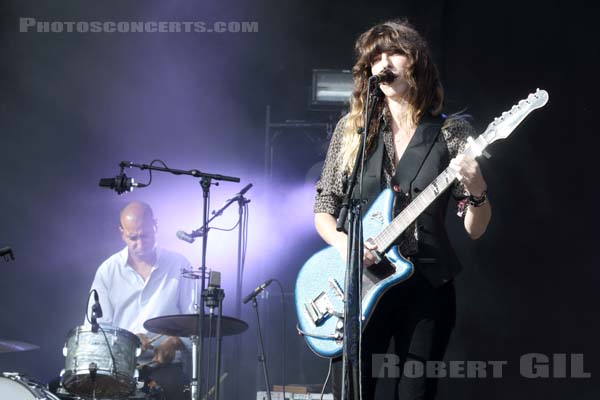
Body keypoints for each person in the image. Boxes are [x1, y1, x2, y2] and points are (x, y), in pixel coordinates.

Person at [314, 20, 492, 399]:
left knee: (415, 391)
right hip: (360, 285)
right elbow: (324, 208)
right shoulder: (353, 131)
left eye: (394, 53)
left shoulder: (450, 133)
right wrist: (346, 246)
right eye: (375, 57)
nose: (384, 63)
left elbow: (475, 227)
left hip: (426, 283)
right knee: (352, 389)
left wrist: (476, 189)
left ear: (416, 63)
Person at [88, 201, 194, 400]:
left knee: (174, 388)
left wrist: (175, 341)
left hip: (166, 366)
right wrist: (127, 341)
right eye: (133, 238)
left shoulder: (180, 265)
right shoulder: (108, 271)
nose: (140, 243)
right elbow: (95, 331)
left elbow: (196, 322)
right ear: (122, 233)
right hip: (120, 367)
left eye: (145, 235)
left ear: (156, 226)